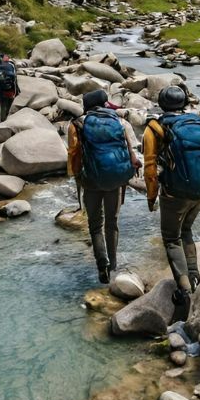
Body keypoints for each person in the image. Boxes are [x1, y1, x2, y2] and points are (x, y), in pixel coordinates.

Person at [143, 86, 200, 308]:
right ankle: (194, 276)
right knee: (187, 230)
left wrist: (151, 197)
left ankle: (184, 291)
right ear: (184, 103)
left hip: (175, 193)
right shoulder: (198, 123)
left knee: (171, 238)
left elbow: (150, 168)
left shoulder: (155, 128)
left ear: (161, 104)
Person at [68, 89, 140, 283]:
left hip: (90, 180)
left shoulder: (78, 124)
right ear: (105, 103)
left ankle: (102, 265)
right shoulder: (120, 121)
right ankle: (114, 264)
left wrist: (76, 176)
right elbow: (130, 150)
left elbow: (74, 154)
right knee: (112, 222)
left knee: (95, 224)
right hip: (115, 180)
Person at [0, 53, 19, 122]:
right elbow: (15, 78)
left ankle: (2, 121)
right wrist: (16, 90)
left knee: (2, 106)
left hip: (1, 90)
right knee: (8, 106)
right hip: (11, 90)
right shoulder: (11, 65)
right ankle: (7, 119)